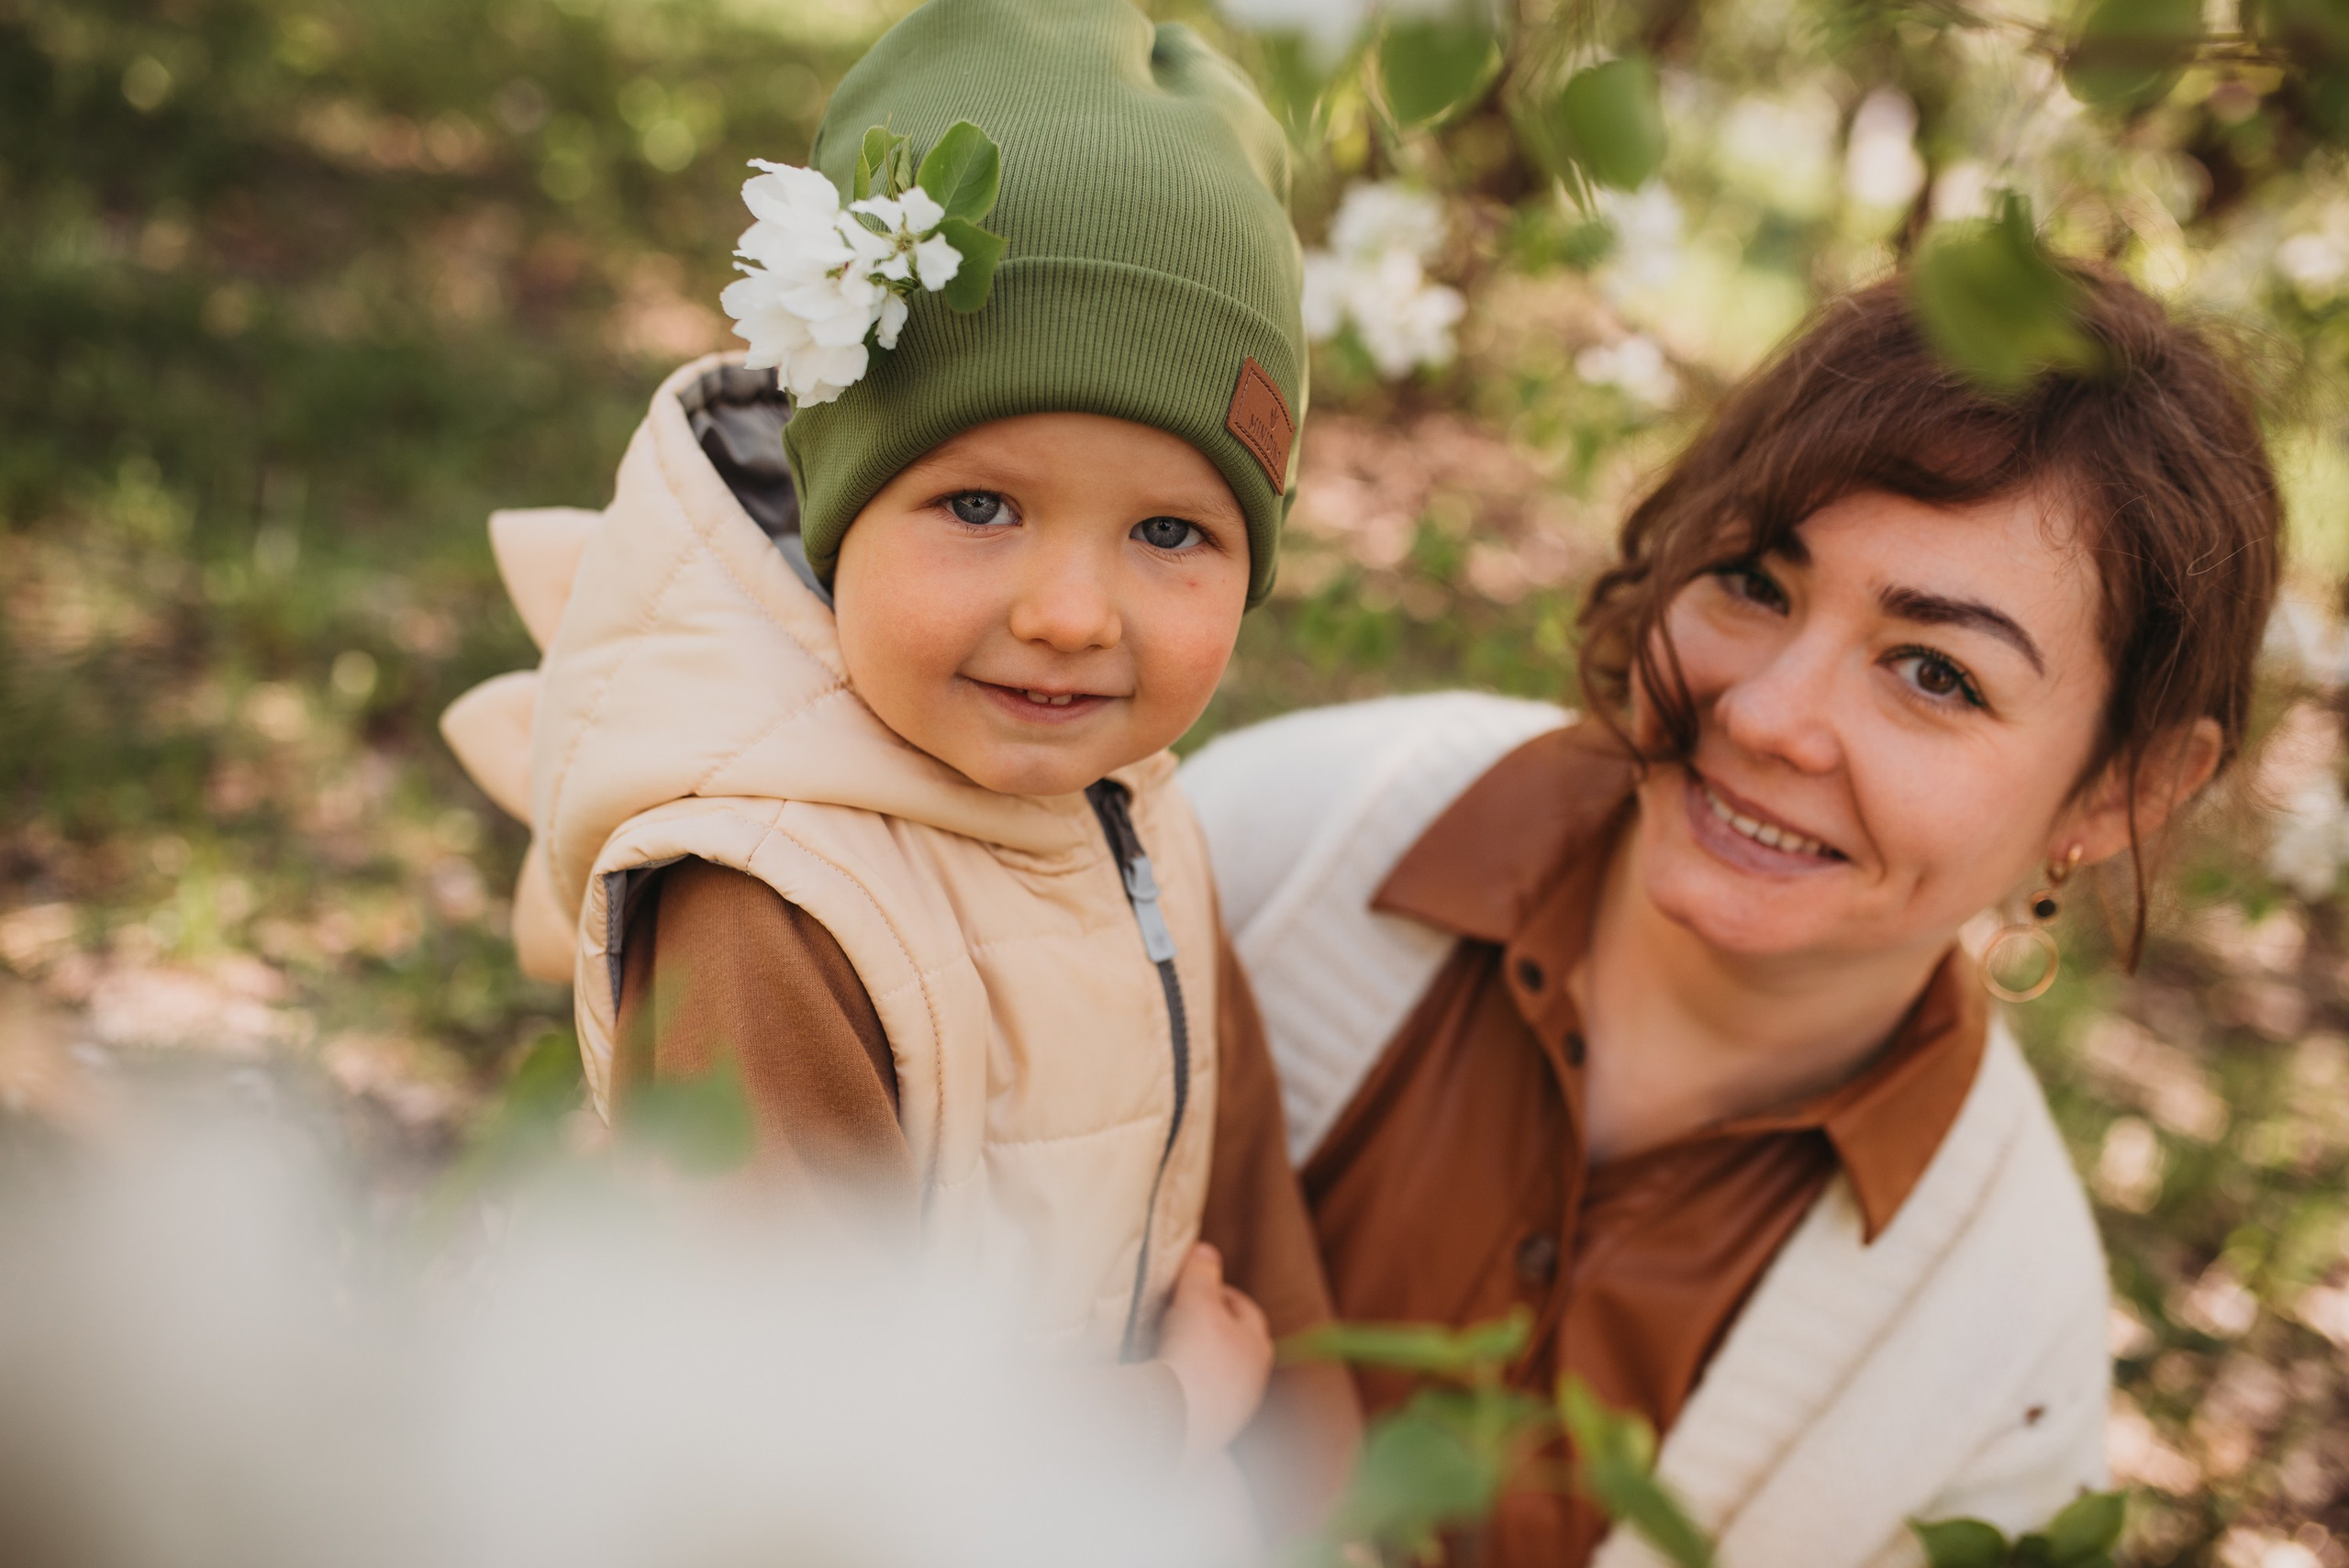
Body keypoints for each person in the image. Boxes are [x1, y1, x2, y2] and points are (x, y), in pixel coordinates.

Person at [1183, 271, 2279, 1566]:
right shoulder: (1275, 841)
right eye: (1756, 581)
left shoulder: (2008, 1376)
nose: (1764, 713)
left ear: (2119, 789)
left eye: (1934, 672)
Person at [440, 0, 1355, 1531]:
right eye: (981, 504)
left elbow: (1249, 1219)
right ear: (838, 499)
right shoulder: (771, 912)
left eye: (1170, 531)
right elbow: (783, 1449)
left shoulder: (1135, 812)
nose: (1071, 613)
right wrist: (1173, 1413)